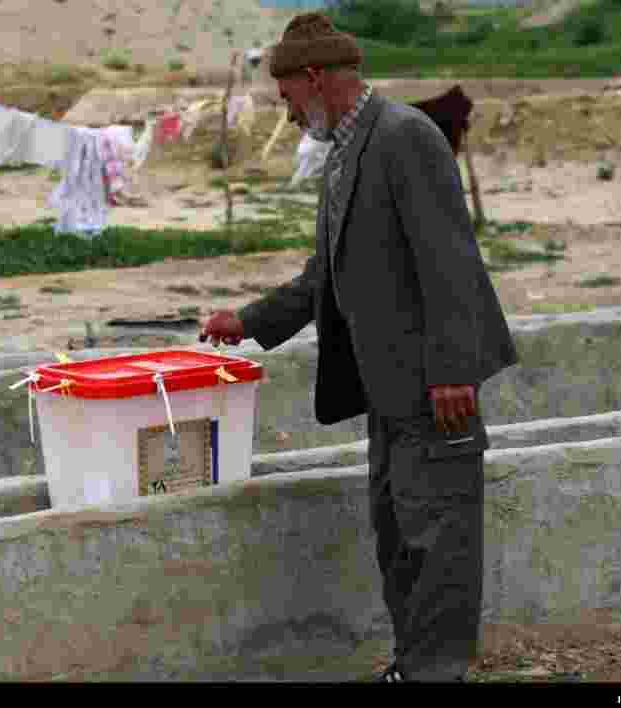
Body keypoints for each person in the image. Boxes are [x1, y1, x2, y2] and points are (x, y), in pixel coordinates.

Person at [199, 12, 519, 682]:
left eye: (286, 99)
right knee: (401, 538)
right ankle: (413, 665)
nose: (286, 116)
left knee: (441, 541)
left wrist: (454, 367)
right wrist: (248, 321)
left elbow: (450, 260)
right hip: (391, 391)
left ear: (315, 77)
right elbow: (325, 275)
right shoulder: (346, 152)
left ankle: (433, 673)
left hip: (437, 388)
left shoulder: (405, 136)